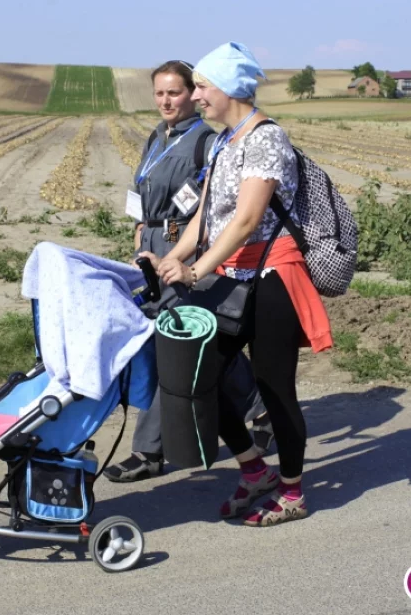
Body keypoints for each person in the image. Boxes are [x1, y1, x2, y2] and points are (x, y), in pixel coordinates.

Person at [138, 41, 333, 526]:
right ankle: (253, 470)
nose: (196, 96)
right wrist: (172, 255)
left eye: (202, 86)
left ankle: (291, 491)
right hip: (232, 275)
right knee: (198, 381)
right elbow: (207, 215)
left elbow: (246, 220)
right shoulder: (226, 140)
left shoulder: (266, 138)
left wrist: (195, 271)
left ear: (227, 87)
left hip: (272, 278)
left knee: (274, 387)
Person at [103, 59, 273, 484]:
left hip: (187, 247)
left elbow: (213, 206)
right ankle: (260, 405)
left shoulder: (204, 141)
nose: (166, 101)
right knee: (197, 341)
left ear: (192, 96)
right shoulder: (155, 138)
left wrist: (188, 257)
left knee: (174, 341)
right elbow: (141, 193)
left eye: (174, 93)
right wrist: (140, 237)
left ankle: (149, 450)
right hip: (153, 246)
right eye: (159, 93)